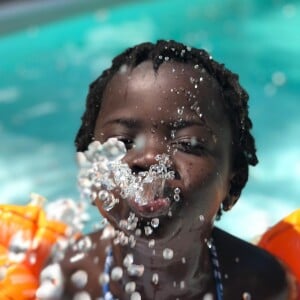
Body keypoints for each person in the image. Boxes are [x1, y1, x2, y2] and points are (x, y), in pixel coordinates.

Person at [37, 40, 298, 300]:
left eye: (187, 144)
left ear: (233, 183)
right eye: (122, 143)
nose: (150, 158)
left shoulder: (259, 285)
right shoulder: (67, 280)